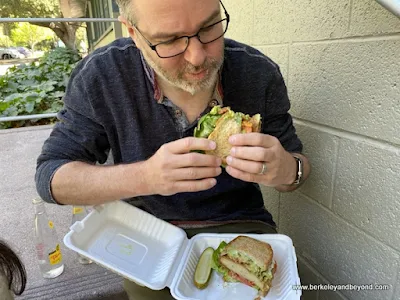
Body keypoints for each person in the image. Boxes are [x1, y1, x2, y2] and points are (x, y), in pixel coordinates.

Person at [35, 0, 310, 298]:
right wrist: (145, 177)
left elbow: (298, 169)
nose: (197, 57)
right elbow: (50, 178)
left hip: (241, 225)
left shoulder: (259, 72)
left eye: (208, 27)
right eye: (169, 40)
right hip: (145, 237)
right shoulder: (100, 76)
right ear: (132, 31)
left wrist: (286, 169)